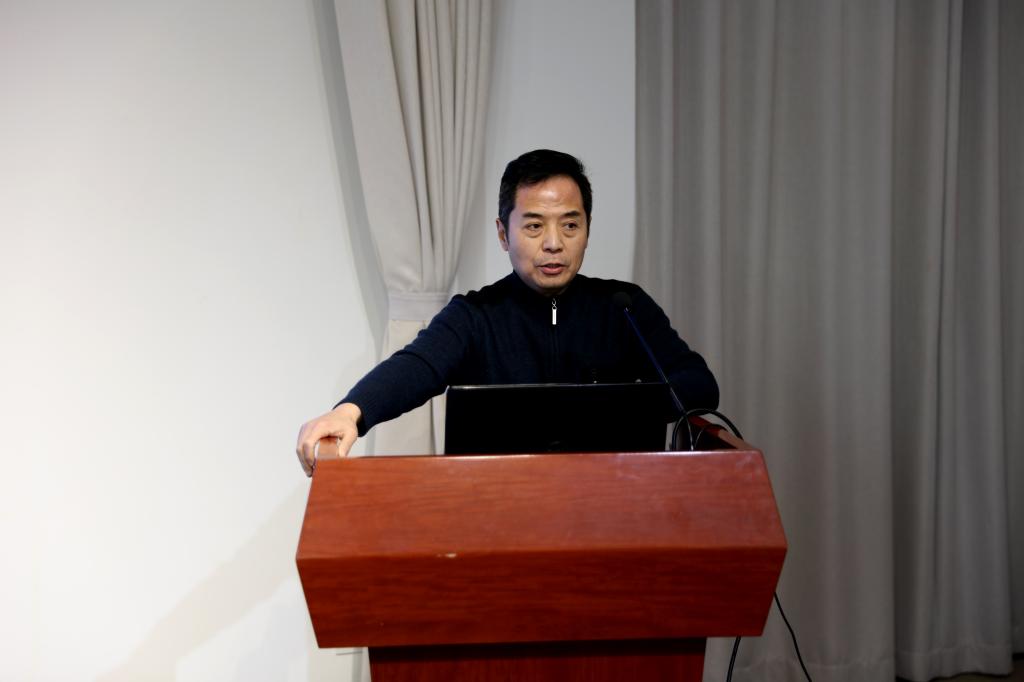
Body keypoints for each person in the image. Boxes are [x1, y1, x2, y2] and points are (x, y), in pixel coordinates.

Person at [295, 149, 718, 475]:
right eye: (534, 226)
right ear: (503, 233)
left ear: (587, 228)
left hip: (613, 507)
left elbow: (698, 383)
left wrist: (625, 404)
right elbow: (417, 365)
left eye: (570, 225)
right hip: (497, 511)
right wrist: (351, 411)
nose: (554, 243)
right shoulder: (475, 316)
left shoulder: (625, 307)